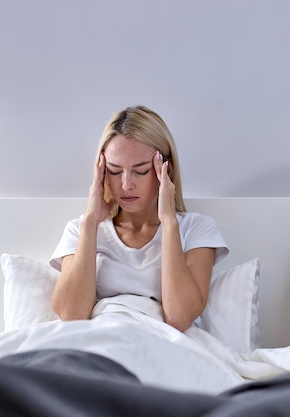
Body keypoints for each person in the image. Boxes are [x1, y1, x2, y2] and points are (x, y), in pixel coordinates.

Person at [50, 105, 228, 332]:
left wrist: (169, 222)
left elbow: (179, 318)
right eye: (114, 171)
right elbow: (71, 315)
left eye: (141, 171)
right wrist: (91, 222)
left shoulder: (196, 229)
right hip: (97, 345)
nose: (126, 185)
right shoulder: (81, 230)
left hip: (158, 347)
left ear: (167, 169)